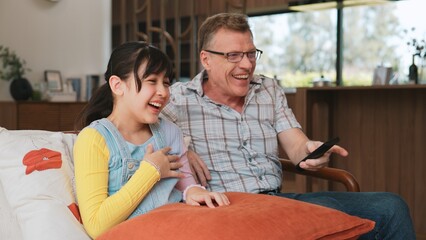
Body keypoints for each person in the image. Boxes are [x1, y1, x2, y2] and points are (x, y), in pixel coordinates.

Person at [160, 13, 416, 239]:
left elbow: (296, 145)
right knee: (329, 211)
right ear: (206, 59)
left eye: (251, 53)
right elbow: (137, 134)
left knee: (390, 206)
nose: (247, 65)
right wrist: (182, 150)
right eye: (234, 56)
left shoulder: (268, 89)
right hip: (230, 206)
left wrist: (310, 150)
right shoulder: (177, 99)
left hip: (279, 200)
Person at [73, 41, 230, 239]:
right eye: (152, 81)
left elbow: (185, 181)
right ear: (117, 85)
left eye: (166, 82)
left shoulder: (170, 132)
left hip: (178, 228)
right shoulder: (93, 139)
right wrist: (151, 171)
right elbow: (97, 226)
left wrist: (193, 191)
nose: (163, 92)